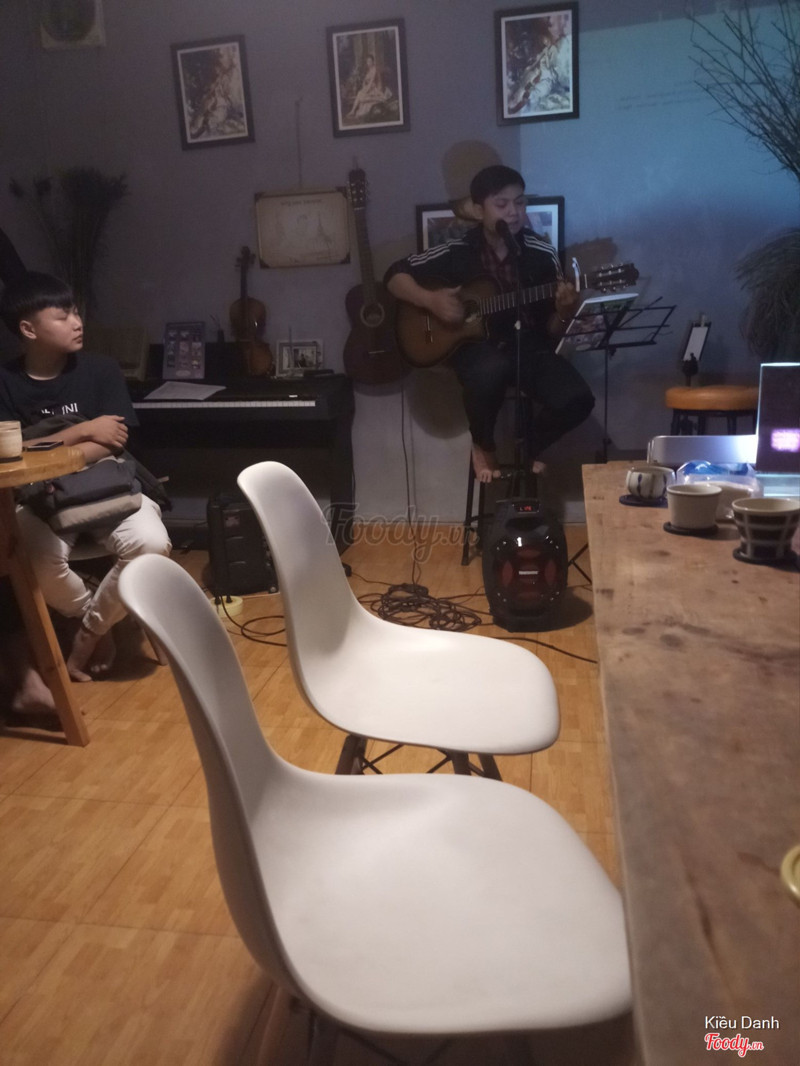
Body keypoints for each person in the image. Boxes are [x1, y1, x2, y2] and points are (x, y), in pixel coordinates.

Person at [0, 272, 171, 683]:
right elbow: (9, 453)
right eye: (62, 316)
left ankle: (88, 633)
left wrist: (45, 448)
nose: (77, 323)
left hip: (108, 485)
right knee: (33, 558)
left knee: (151, 544)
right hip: (40, 495)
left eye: (75, 312)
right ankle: (96, 621)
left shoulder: (100, 369)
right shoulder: (5, 380)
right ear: (28, 329)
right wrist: (81, 431)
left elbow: (113, 443)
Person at [385, 164, 594, 483]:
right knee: (490, 368)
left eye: (520, 202)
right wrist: (430, 300)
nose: (513, 212)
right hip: (475, 347)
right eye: (501, 204)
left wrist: (566, 311)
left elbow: (552, 330)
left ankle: (528, 446)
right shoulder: (455, 250)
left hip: (528, 346)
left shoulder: (541, 254)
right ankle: (483, 444)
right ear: (478, 209)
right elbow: (394, 276)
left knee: (578, 399)